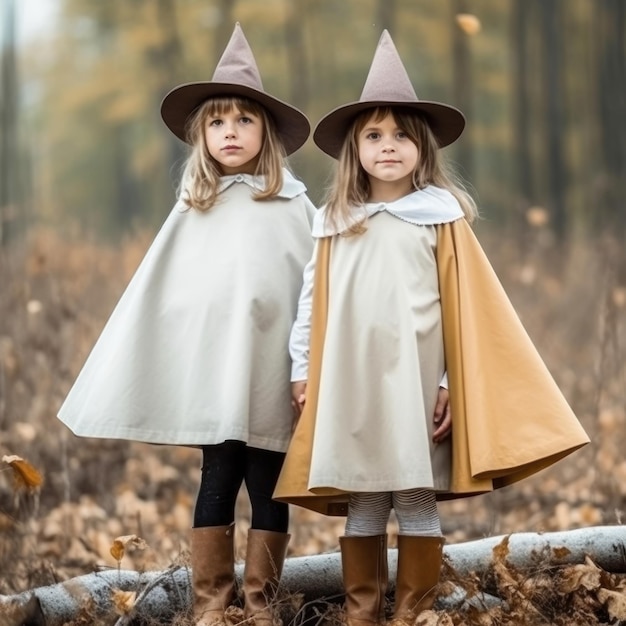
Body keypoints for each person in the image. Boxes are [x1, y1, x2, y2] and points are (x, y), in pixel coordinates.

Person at [273, 30, 590, 626]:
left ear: (422, 149)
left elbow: (464, 311)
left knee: (414, 493)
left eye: (400, 136)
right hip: (352, 381)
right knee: (364, 496)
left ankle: (412, 611)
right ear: (354, 150)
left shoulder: (439, 219)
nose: (386, 147)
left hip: (417, 378)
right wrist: (301, 370)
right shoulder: (335, 221)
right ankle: (361, 612)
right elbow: (310, 303)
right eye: (373, 136)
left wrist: (448, 379)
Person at [57, 23, 315, 626]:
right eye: (218, 122)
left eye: (244, 121)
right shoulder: (193, 207)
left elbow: (314, 289)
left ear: (267, 134)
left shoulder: (296, 205)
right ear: (202, 135)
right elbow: (163, 298)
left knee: (270, 481)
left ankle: (260, 603)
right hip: (214, 377)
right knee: (218, 473)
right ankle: (211, 603)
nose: (231, 132)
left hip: (275, 372)